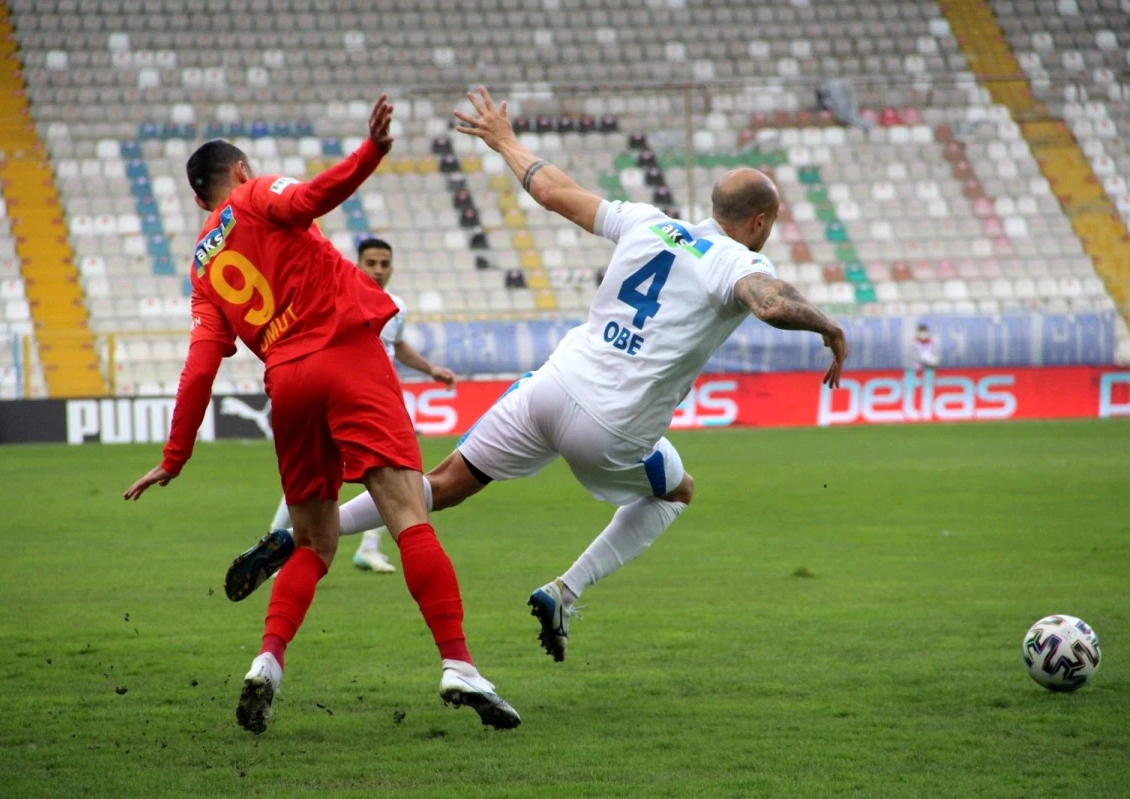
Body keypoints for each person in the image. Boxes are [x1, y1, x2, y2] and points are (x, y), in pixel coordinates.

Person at [223, 87, 848, 664]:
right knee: (676, 492)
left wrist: (501, 138)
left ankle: (291, 536)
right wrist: (826, 325)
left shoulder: (648, 220)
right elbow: (768, 300)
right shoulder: (735, 258)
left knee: (439, 484)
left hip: (549, 387)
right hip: (612, 428)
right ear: (760, 223)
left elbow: (551, 190)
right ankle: (564, 592)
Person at [122, 94, 520, 734]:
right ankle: (458, 664)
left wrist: (175, 459)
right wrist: (372, 153)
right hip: (345, 353)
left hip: (287, 382)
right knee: (406, 512)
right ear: (243, 171)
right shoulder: (255, 196)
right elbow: (308, 199)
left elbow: (200, 368)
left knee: (312, 542)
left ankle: (267, 664)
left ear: (200, 201)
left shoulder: (202, 266)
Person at [257, 238, 457, 576]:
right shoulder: (336, 294)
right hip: (340, 400)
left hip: (377, 403)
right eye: (371, 263)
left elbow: (398, 345)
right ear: (357, 264)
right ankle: (276, 543)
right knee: (315, 479)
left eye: (384, 264)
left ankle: (368, 548)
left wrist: (430, 369)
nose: (378, 271)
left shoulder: (396, 305)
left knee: (399, 474)